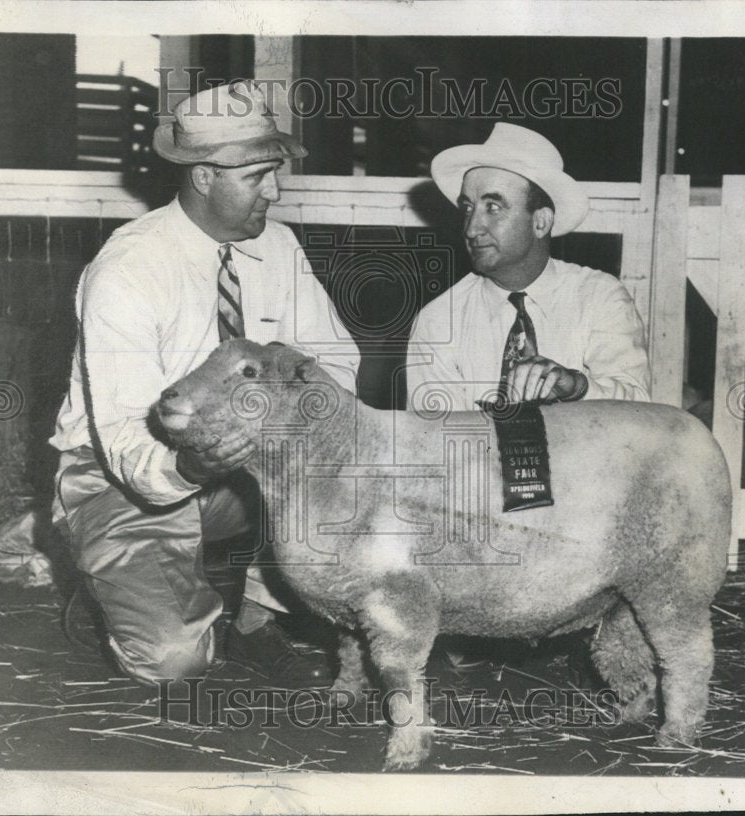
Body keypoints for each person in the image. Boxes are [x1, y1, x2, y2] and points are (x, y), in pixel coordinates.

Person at [50, 81, 360, 687]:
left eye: (276, 173)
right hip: (127, 479)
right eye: (258, 176)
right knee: (173, 664)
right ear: (202, 176)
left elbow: (336, 364)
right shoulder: (129, 271)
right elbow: (124, 444)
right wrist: (196, 466)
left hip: (247, 470)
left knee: (359, 468)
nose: (275, 191)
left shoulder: (277, 244)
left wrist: (289, 418)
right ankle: (110, 576)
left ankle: (248, 600)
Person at [407, 123, 650, 413]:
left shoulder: (599, 297)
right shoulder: (438, 322)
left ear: (540, 222)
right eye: (468, 208)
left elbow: (641, 412)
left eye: (493, 208)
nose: (471, 229)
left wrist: (576, 387)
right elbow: (433, 443)